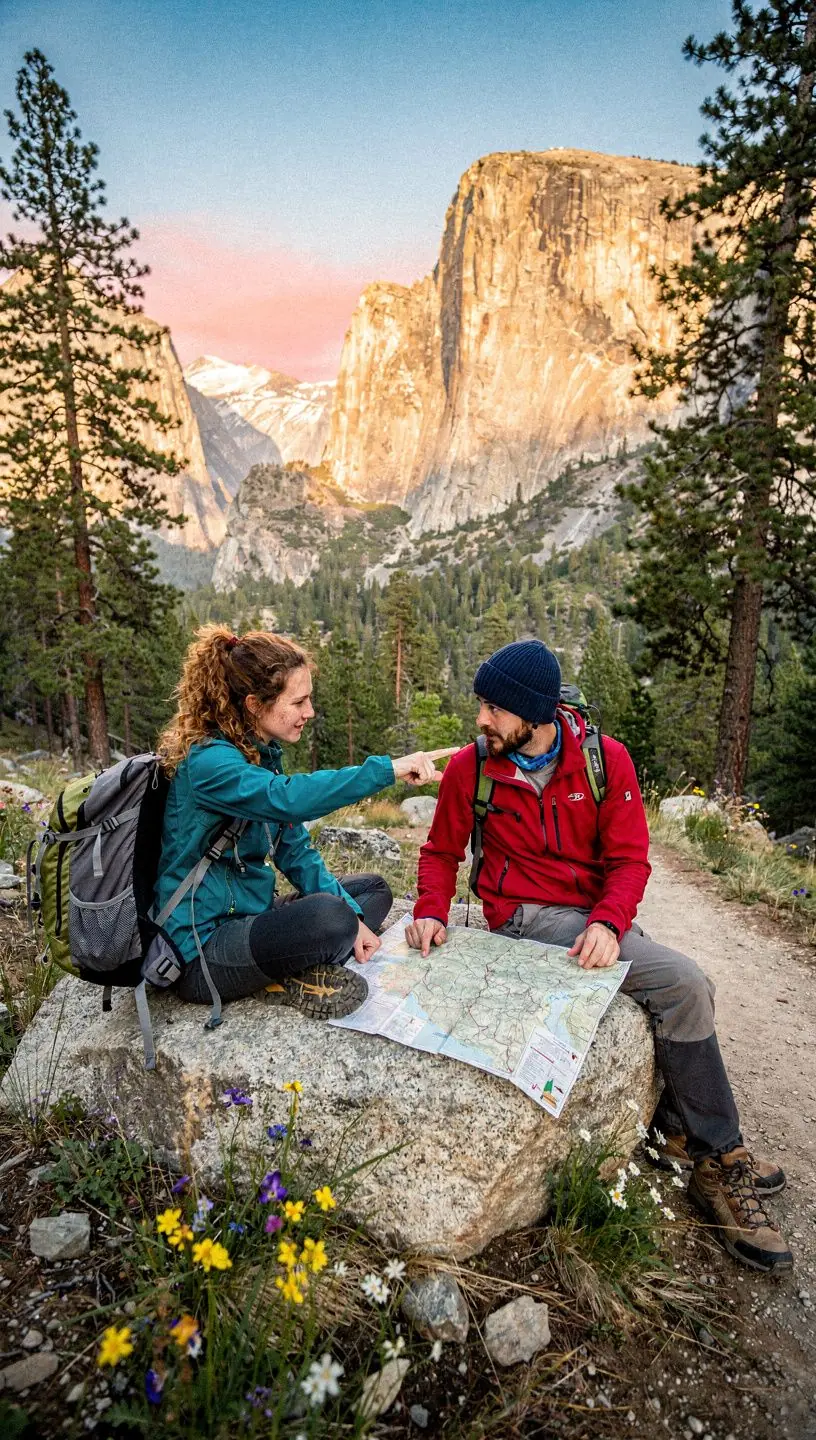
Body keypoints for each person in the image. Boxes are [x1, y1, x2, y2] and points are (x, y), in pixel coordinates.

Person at [405, 638, 793, 1274]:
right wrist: (428, 909)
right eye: (480, 704)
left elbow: (629, 860)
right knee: (685, 986)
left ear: (534, 712)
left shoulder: (604, 762)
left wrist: (611, 923)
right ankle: (719, 1154)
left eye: (494, 708)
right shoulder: (473, 769)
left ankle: (696, 1143)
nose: (481, 719)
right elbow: (441, 851)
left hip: (586, 917)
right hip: (522, 918)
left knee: (688, 986)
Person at [155, 625, 447, 1011]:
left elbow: (294, 851)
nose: (309, 713)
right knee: (331, 918)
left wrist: (355, 919)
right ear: (255, 704)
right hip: (200, 948)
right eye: (299, 702)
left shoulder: (259, 754)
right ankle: (296, 967)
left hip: (250, 916)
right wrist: (386, 770)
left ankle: (308, 954)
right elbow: (289, 800)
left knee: (372, 891)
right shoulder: (210, 763)